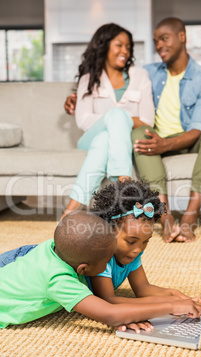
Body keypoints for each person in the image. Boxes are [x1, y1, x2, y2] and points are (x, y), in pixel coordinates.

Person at [64, 18, 201, 243]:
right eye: (155, 42)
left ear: (182, 37)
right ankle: (156, 210)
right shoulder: (144, 72)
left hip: (180, 139)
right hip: (124, 137)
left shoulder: (200, 80)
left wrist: (132, 126)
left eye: (164, 39)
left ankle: (189, 219)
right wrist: (78, 101)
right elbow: (88, 114)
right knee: (126, 125)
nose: (159, 46)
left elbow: (166, 124)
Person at [0, 210, 201, 331]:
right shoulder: (59, 280)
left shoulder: (59, 247)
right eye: (106, 261)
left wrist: (128, 314)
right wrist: (171, 306)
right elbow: (111, 313)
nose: (109, 265)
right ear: (84, 269)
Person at [62, 23, 155, 218]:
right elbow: (83, 120)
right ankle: (125, 187)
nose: (125, 51)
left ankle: (70, 212)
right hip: (88, 140)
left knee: (105, 139)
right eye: (119, 45)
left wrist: (116, 125)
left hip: (110, 143)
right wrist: (117, 119)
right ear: (104, 46)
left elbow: (147, 121)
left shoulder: (140, 76)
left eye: (128, 47)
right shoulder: (88, 79)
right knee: (116, 115)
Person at [88, 180, 201, 307]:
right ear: (108, 230)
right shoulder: (100, 255)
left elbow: (142, 288)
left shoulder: (131, 252)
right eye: (131, 241)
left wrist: (175, 294)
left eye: (145, 241)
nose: (138, 249)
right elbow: (109, 300)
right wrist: (171, 303)